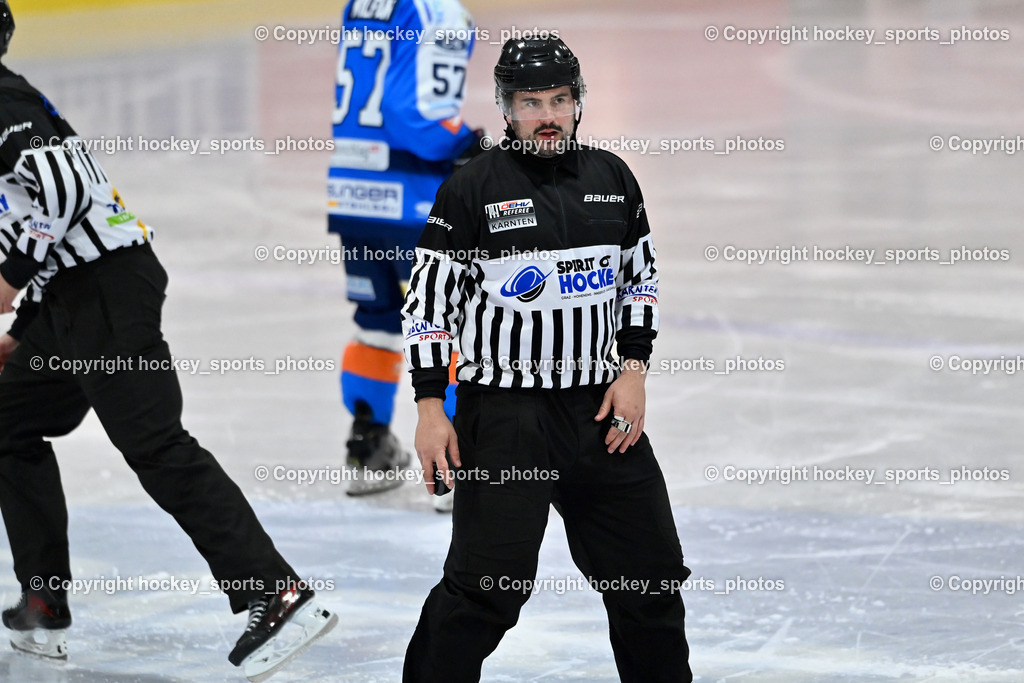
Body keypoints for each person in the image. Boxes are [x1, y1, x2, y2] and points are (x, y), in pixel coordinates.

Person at [0, 3, 335, 679]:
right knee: (5, 418)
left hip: (106, 291)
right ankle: (45, 596)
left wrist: (5, 290)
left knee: (154, 442)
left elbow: (61, 194)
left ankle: (274, 588)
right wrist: (23, 317)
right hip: (69, 299)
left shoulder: (1, 97)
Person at [400, 37, 693, 682]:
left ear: (578, 102)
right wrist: (429, 408)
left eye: (560, 99)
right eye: (531, 102)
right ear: (506, 108)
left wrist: (634, 369)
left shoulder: (613, 179)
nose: (548, 114)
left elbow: (638, 282)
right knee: (486, 594)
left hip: (600, 414)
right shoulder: (471, 188)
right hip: (507, 420)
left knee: (649, 585)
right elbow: (427, 308)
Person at [328, 0, 482, 501]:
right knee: (451, 322)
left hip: (353, 190)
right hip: (414, 199)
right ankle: (457, 467)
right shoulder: (436, 10)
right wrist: (471, 146)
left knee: (376, 320)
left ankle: (368, 449)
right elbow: (416, 115)